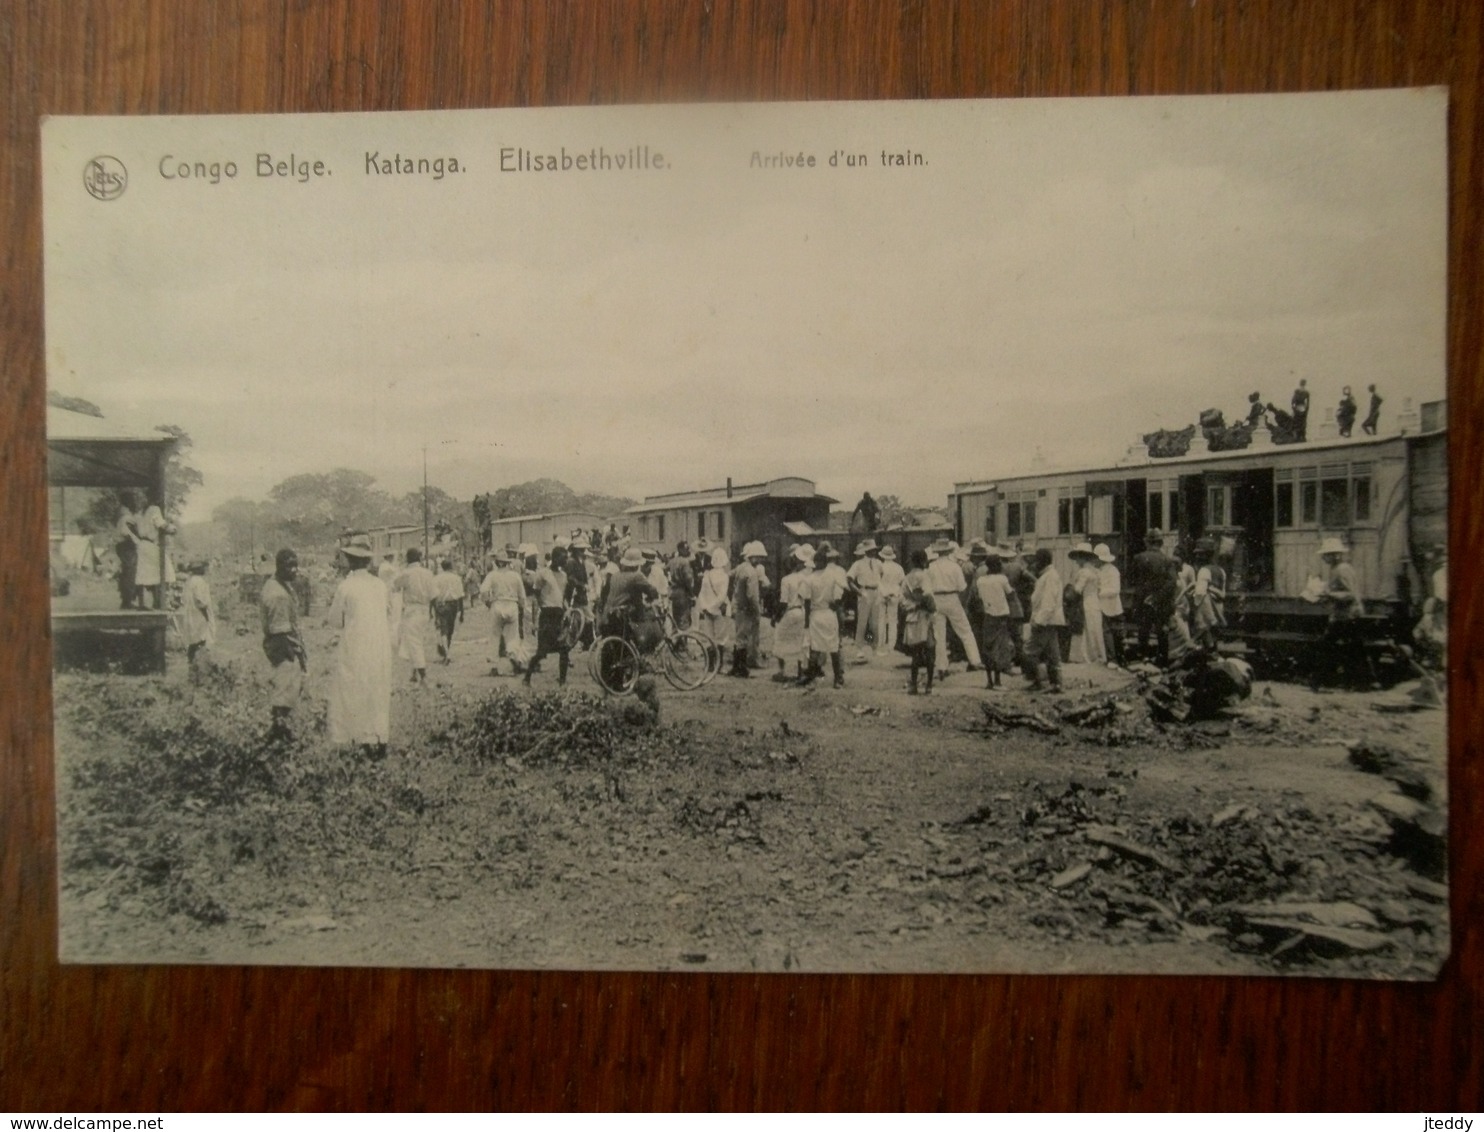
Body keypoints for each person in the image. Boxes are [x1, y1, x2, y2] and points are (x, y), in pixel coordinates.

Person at [325, 533, 392, 759]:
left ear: (351, 561)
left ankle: (359, 738)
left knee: (353, 688)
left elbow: (334, 620)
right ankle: (379, 737)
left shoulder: (346, 586)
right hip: (379, 644)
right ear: (367, 561)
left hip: (355, 644)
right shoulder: (380, 585)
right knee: (378, 688)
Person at [260, 548, 306, 746]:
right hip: (282, 643)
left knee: (289, 687)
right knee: (284, 689)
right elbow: (279, 630)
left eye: (296, 565)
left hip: (285, 640)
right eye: (290, 566)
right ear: (280, 566)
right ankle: (277, 733)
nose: (295, 570)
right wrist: (293, 652)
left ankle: (281, 731)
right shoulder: (277, 594)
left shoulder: (280, 585)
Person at [926, 537, 982, 680]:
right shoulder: (955, 566)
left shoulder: (931, 567)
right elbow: (962, 587)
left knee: (939, 635)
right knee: (965, 630)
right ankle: (975, 660)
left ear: (937, 552)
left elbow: (927, 587)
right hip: (952, 598)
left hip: (937, 599)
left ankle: (941, 667)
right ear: (949, 551)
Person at [524, 545, 574, 686]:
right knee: (542, 652)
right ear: (555, 558)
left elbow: (562, 597)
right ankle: (527, 677)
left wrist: (567, 609)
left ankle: (562, 681)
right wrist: (536, 619)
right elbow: (536, 596)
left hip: (559, 615)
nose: (565, 561)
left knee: (564, 649)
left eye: (566, 558)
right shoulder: (543, 574)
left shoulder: (564, 576)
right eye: (563, 558)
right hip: (547, 615)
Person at [803, 544, 848, 688]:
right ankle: (838, 679)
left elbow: (807, 602)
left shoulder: (809, 579)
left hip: (816, 614)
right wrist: (839, 604)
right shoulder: (833, 575)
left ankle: (811, 678)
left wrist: (806, 622)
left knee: (815, 648)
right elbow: (847, 589)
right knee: (834, 647)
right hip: (829, 613)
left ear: (815, 563)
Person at [1130, 529, 1177, 663]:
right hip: (1161, 602)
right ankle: (1162, 660)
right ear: (1161, 543)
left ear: (1147, 542)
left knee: (1143, 630)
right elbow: (1172, 582)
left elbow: (1132, 578)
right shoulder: (1167, 560)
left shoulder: (1138, 558)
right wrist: (1157, 597)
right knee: (1162, 631)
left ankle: (1143, 658)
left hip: (1142, 600)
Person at [391, 547, 438, 684]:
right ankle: (414, 673)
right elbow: (434, 596)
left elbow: (395, 586)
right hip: (425, 610)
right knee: (415, 641)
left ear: (407, 559)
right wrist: (432, 613)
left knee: (414, 642)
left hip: (412, 610)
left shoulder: (406, 573)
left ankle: (423, 675)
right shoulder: (428, 573)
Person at [480, 549, 527, 676]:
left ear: (497, 563)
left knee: (495, 636)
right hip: (512, 604)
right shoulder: (515, 575)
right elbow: (522, 595)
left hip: (497, 603)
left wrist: (487, 602)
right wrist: (522, 607)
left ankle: (495, 666)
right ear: (507, 563)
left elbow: (483, 590)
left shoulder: (492, 575)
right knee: (512, 635)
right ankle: (513, 656)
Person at [1024, 548, 1065, 694]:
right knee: (1052, 652)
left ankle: (1038, 680)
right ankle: (1056, 683)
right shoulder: (1047, 575)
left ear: (1041, 561)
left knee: (1029, 651)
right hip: (1049, 620)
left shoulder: (1050, 577)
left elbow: (1048, 602)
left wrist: (1039, 620)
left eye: (1036, 560)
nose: (1034, 564)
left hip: (1045, 620)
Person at [973, 553, 1015, 690]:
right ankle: (997, 681)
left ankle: (989, 681)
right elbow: (1010, 594)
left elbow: (979, 597)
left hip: (988, 615)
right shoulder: (1002, 579)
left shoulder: (980, 580)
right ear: (997, 565)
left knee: (988, 647)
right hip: (1001, 615)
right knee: (1000, 648)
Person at [773, 547, 812, 683]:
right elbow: (807, 598)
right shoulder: (805, 578)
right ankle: (800, 672)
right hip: (801, 610)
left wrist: (776, 616)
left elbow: (783, 602)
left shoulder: (786, 580)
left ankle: (781, 671)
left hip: (791, 611)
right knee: (800, 640)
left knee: (779, 637)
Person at [900, 549, 937, 694]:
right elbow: (927, 594)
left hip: (912, 617)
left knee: (915, 653)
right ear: (923, 561)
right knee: (930, 651)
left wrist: (912, 605)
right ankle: (928, 685)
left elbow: (901, 599)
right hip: (925, 615)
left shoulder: (907, 578)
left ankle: (914, 685)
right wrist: (930, 607)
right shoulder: (924, 576)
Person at [729, 542, 767, 677]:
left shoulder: (741, 568)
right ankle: (742, 668)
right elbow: (752, 596)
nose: (761, 560)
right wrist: (757, 611)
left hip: (739, 606)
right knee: (743, 638)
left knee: (739, 637)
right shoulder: (751, 572)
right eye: (760, 557)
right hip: (746, 609)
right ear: (754, 556)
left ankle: (736, 666)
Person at [133, 490, 176, 610]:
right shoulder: (154, 509)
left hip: (142, 544)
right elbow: (161, 525)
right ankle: (161, 602)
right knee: (166, 569)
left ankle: (145, 603)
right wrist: (172, 528)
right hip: (150, 543)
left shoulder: (141, 512)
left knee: (145, 572)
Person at [1068, 542, 1106, 665]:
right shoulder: (1096, 571)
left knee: (1087, 628)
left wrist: (1069, 592)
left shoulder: (1084, 572)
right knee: (1094, 629)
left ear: (1083, 557)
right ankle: (1096, 655)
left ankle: (1086, 656)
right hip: (1096, 602)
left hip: (1086, 602)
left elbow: (1078, 589)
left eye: (1078, 557)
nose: (1076, 560)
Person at [845, 539, 884, 661]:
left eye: (874, 550)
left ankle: (874, 647)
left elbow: (881, 575)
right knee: (862, 621)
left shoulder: (878, 563)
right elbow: (849, 579)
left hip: (876, 592)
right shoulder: (858, 564)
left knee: (874, 622)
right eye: (871, 550)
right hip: (864, 591)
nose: (873, 552)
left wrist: (877, 587)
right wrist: (859, 591)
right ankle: (859, 649)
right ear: (866, 551)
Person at [181, 558, 215, 682]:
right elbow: (200, 600)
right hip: (198, 614)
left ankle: (192, 669)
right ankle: (199, 672)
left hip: (191, 613)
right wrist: (206, 610)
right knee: (200, 641)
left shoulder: (189, 581)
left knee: (193, 641)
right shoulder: (199, 582)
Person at [1189, 537, 1227, 649]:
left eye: (1201, 554)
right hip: (1218, 609)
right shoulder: (1221, 570)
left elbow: (1200, 594)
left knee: (1205, 641)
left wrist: (1193, 603)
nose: (1197, 557)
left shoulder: (1204, 571)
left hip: (1205, 611)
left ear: (1207, 555)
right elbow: (1223, 593)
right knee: (1213, 641)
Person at [696, 545, 734, 654]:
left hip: (707, 610)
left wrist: (705, 607)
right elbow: (722, 596)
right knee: (721, 637)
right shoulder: (724, 576)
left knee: (709, 636)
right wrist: (714, 607)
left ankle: (711, 664)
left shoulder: (707, 575)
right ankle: (719, 663)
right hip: (719, 610)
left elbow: (702, 593)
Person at [1095, 543, 1124, 668]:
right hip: (1104, 606)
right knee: (1107, 632)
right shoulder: (1099, 570)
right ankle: (1111, 658)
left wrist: (1100, 593)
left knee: (1114, 633)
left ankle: (1116, 659)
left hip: (1113, 606)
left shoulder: (1113, 571)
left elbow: (1115, 590)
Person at [432, 558, 464, 663]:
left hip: (441, 605)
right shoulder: (456, 578)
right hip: (453, 605)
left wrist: (431, 610)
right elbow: (460, 596)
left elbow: (433, 595)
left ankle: (446, 653)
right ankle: (448, 652)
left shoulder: (436, 578)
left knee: (443, 630)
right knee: (450, 629)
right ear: (451, 567)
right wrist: (462, 612)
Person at [114, 490, 141, 609]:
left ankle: (127, 600)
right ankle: (127, 601)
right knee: (130, 573)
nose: (134, 502)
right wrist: (136, 540)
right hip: (127, 546)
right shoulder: (126, 516)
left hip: (124, 546)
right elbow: (126, 532)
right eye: (132, 500)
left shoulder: (122, 514)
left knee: (127, 573)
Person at [876, 544, 905, 656]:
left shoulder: (880, 567)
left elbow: (877, 581)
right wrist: (896, 592)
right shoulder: (899, 568)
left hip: (882, 595)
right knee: (893, 621)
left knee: (881, 620)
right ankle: (891, 646)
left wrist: (884, 593)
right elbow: (902, 582)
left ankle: (880, 645)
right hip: (894, 594)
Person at [669, 541, 696, 628]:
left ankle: (677, 640)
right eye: (686, 548)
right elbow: (688, 580)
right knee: (684, 619)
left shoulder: (672, 561)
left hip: (674, 592)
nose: (688, 551)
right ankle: (683, 639)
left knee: (675, 619)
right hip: (683, 593)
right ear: (680, 549)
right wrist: (692, 595)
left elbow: (665, 569)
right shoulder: (685, 562)